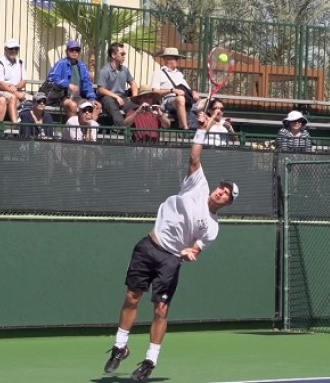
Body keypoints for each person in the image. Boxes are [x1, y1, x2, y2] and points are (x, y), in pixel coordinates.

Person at [103, 120, 239, 381]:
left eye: (226, 194)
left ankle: (150, 361)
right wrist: (205, 128)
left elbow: (196, 250)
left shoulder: (212, 227)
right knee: (132, 297)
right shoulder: (197, 184)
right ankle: (120, 346)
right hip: (149, 246)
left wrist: (191, 253)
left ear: (229, 202)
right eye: (222, 187)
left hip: (170, 260)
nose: (221, 192)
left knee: (161, 310)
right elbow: (194, 155)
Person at [44, 40, 100, 117]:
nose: (74, 52)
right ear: (67, 51)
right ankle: (72, 128)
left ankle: (89, 129)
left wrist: (92, 98)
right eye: (72, 50)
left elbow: (87, 84)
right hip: (61, 96)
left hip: (77, 97)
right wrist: (68, 85)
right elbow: (52, 78)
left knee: (97, 106)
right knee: (72, 105)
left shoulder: (82, 66)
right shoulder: (61, 63)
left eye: (77, 50)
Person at [150, 47, 200, 130]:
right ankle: (186, 128)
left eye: (177, 58)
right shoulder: (158, 73)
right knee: (180, 99)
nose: (177, 60)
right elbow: (155, 91)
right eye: (175, 58)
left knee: (209, 101)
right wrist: (172, 90)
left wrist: (194, 92)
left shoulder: (179, 74)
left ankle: (201, 128)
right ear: (166, 59)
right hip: (168, 100)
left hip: (185, 99)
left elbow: (187, 89)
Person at [97, 42, 138, 127]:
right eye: (122, 54)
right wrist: (116, 97)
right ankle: (122, 128)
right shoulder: (105, 70)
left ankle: (136, 130)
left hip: (121, 97)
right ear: (113, 55)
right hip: (108, 98)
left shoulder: (125, 70)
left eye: (124, 54)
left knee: (135, 107)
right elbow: (100, 89)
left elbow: (133, 83)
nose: (124, 56)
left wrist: (135, 97)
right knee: (112, 106)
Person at [0, 38, 32, 124]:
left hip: (16, 89)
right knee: (12, 97)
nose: (13, 51)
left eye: (16, 48)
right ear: (5, 49)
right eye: (11, 48)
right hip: (2, 90)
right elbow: (0, 84)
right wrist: (15, 92)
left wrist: (16, 88)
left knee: (34, 100)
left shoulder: (20, 62)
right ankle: (15, 123)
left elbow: (24, 80)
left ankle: (33, 126)